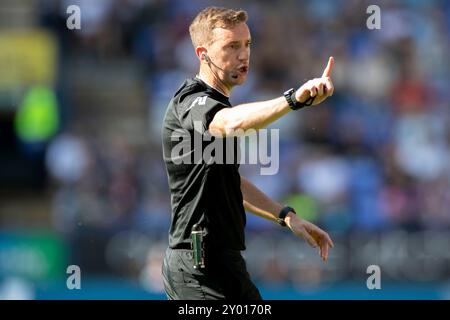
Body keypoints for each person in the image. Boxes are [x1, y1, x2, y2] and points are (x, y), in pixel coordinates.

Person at [161, 6, 335, 300]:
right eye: (231, 46)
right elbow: (230, 123)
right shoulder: (191, 100)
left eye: (247, 44)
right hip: (196, 268)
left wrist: (286, 216)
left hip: (226, 265)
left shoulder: (219, 103)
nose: (244, 55)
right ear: (203, 54)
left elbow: (230, 183)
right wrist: (293, 99)